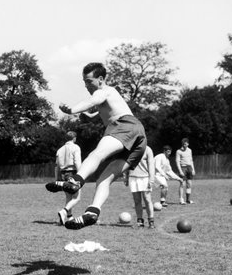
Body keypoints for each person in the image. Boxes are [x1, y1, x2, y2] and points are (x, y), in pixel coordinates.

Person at [45, 62, 147, 229]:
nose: (86, 85)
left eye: (89, 81)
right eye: (84, 82)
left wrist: (71, 110)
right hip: (139, 138)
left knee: (96, 155)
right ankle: (92, 212)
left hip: (124, 126)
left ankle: (75, 181)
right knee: (104, 180)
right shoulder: (110, 96)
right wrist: (88, 115)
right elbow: (97, 111)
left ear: (100, 79)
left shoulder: (103, 91)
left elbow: (94, 101)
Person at [47, 131, 82, 225]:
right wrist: (81, 175)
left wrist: (56, 179)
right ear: (74, 138)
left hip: (63, 174)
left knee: (68, 197)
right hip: (73, 173)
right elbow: (77, 162)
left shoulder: (60, 149)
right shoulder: (76, 147)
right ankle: (64, 211)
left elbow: (56, 166)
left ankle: (69, 218)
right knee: (77, 198)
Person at [124, 146, 155, 228]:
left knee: (147, 199)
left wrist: (151, 180)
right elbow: (127, 163)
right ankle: (140, 221)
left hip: (145, 177)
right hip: (133, 178)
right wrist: (126, 177)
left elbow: (151, 164)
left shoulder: (148, 149)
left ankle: (151, 221)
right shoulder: (130, 149)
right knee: (137, 201)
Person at [175, 138, 195, 204]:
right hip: (182, 168)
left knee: (189, 184)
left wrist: (193, 169)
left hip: (189, 168)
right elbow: (177, 161)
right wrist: (180, 171)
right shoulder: (178, 151)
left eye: (186, 144)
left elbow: (191, 160)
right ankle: (181, 199)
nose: (184, 145)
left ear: (188, 144)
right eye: (183, 144)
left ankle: (188, 200)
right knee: (182, 184)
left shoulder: (190, 150)